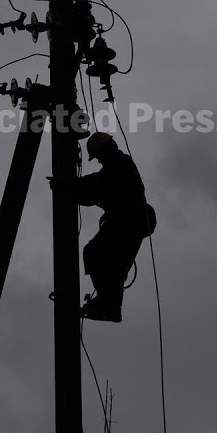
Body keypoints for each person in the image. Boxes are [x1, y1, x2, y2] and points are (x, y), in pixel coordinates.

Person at [54, 131, 155, 323]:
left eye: (99, 157)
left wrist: (68, 185)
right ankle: (108, 304)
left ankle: (108, 305)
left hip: (129, 222)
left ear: (105, 151)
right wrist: (70, 190)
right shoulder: (118, 168)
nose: (99, 161)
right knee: (112, 264)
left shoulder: (120, 166)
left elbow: (98, 183)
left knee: (95, 254)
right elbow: (93, 194)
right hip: (131, 223)